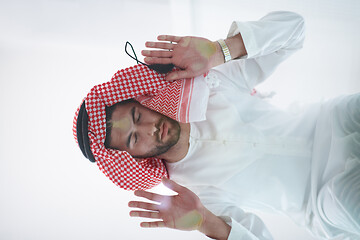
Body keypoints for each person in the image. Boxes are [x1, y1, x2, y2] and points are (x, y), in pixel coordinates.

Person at [73, 11, 360, 240]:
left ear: (144, 102)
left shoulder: (212, 83)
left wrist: (221, 51)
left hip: (336, 120)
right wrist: (205, 222)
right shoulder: (196, 194)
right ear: (135, 158)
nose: (148, 128)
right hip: (326, 198)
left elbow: (295, 29)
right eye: (135, 139)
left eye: (137, 117)